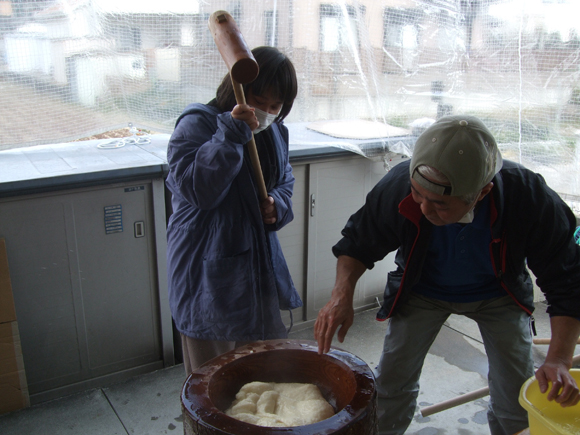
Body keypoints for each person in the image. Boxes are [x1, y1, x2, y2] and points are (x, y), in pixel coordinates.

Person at [314, 115, 580, 435]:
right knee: (391, 385)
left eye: (440, 204)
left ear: (481, 193)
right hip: (422, 290)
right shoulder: (399, 183)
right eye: (417, 194)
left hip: (500, 293)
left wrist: (560, 359)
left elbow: (567, 280)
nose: (423, 209)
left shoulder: (528, 196)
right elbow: (357, 244)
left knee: (517, 396)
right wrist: (340, 296)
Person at [165, 46, 302, 375]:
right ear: (238, 89)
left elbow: (284, 180)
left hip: (258, 272)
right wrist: (229, 136)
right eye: (259, 101)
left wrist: (277, 205)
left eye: (275, 106)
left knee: (259, 379)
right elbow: (200, 190)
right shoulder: (197, 124)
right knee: (211, 383)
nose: (266, 112)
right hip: (206, 274)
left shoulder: (276, 132)